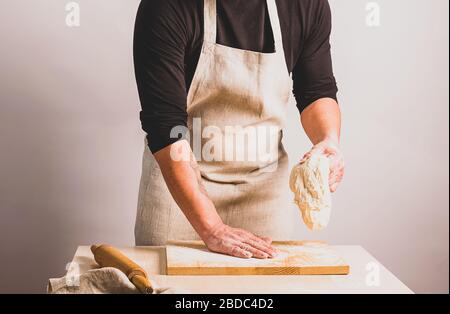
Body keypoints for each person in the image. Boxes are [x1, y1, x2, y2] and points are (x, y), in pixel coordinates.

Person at [133, 0, 344, 259]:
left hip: (264, 194)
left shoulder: (304, 5)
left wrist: (328, 139)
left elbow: (316, 90)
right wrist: (212, 228)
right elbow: (165, 126)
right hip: (178, 195)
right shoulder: (167, 6)